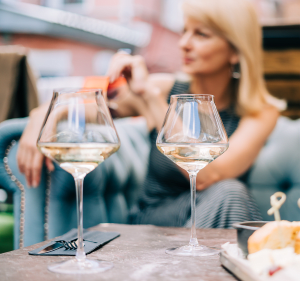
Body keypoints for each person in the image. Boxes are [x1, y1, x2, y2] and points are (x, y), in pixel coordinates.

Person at [17, 0, 282, 228]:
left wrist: (152, 100)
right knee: (232, 196)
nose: (184, 44)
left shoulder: (260, 110)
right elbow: (82, 107)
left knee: (229, 192)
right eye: (184, 31)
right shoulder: (163, 87)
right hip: (156, 221)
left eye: (201, 34)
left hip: (216, 214)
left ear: (235, 51)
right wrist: (39, 118)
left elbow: (209, 175)